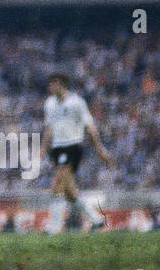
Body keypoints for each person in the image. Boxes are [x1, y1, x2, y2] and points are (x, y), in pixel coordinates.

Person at [38, 72, 114, 233]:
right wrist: (42, 149)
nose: (50, 86)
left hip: (72, 146)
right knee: (70, 193)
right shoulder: (50, 103)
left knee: (57, 184)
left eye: (53, 83)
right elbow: (49, 129)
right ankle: (98, 220)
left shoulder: (77, 102)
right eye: (49, 83)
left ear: (62, 84)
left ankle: (52, 229)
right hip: (57, 148)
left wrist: (100, 149)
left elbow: (90, 127)